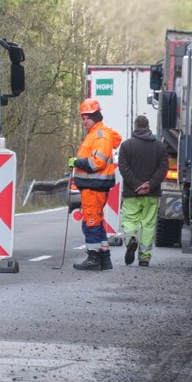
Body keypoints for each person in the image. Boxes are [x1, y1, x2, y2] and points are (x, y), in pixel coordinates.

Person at [72, 98, 122, 271]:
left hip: (94, 187)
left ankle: (93, 259)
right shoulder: (95, 133)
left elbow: (96, 163)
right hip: (92, 187)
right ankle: (104, 258)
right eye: (83, 118)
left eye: (88, 117)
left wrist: (77, 162)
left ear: (96, 116)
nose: (85, 121)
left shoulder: (100, 135)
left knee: (91, 222)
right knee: (96, 222)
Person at [118, 115, 168, 267]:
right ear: (148, 127)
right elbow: (163, 169)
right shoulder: (161, 147)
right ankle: (144, 257)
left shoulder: (126, 146)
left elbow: (124, 169)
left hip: (132, 193)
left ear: (135, 126)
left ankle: (131, 238)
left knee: (129, 220)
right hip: (151, 194)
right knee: (148, 224)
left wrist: (136, 185)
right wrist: (149, 185)